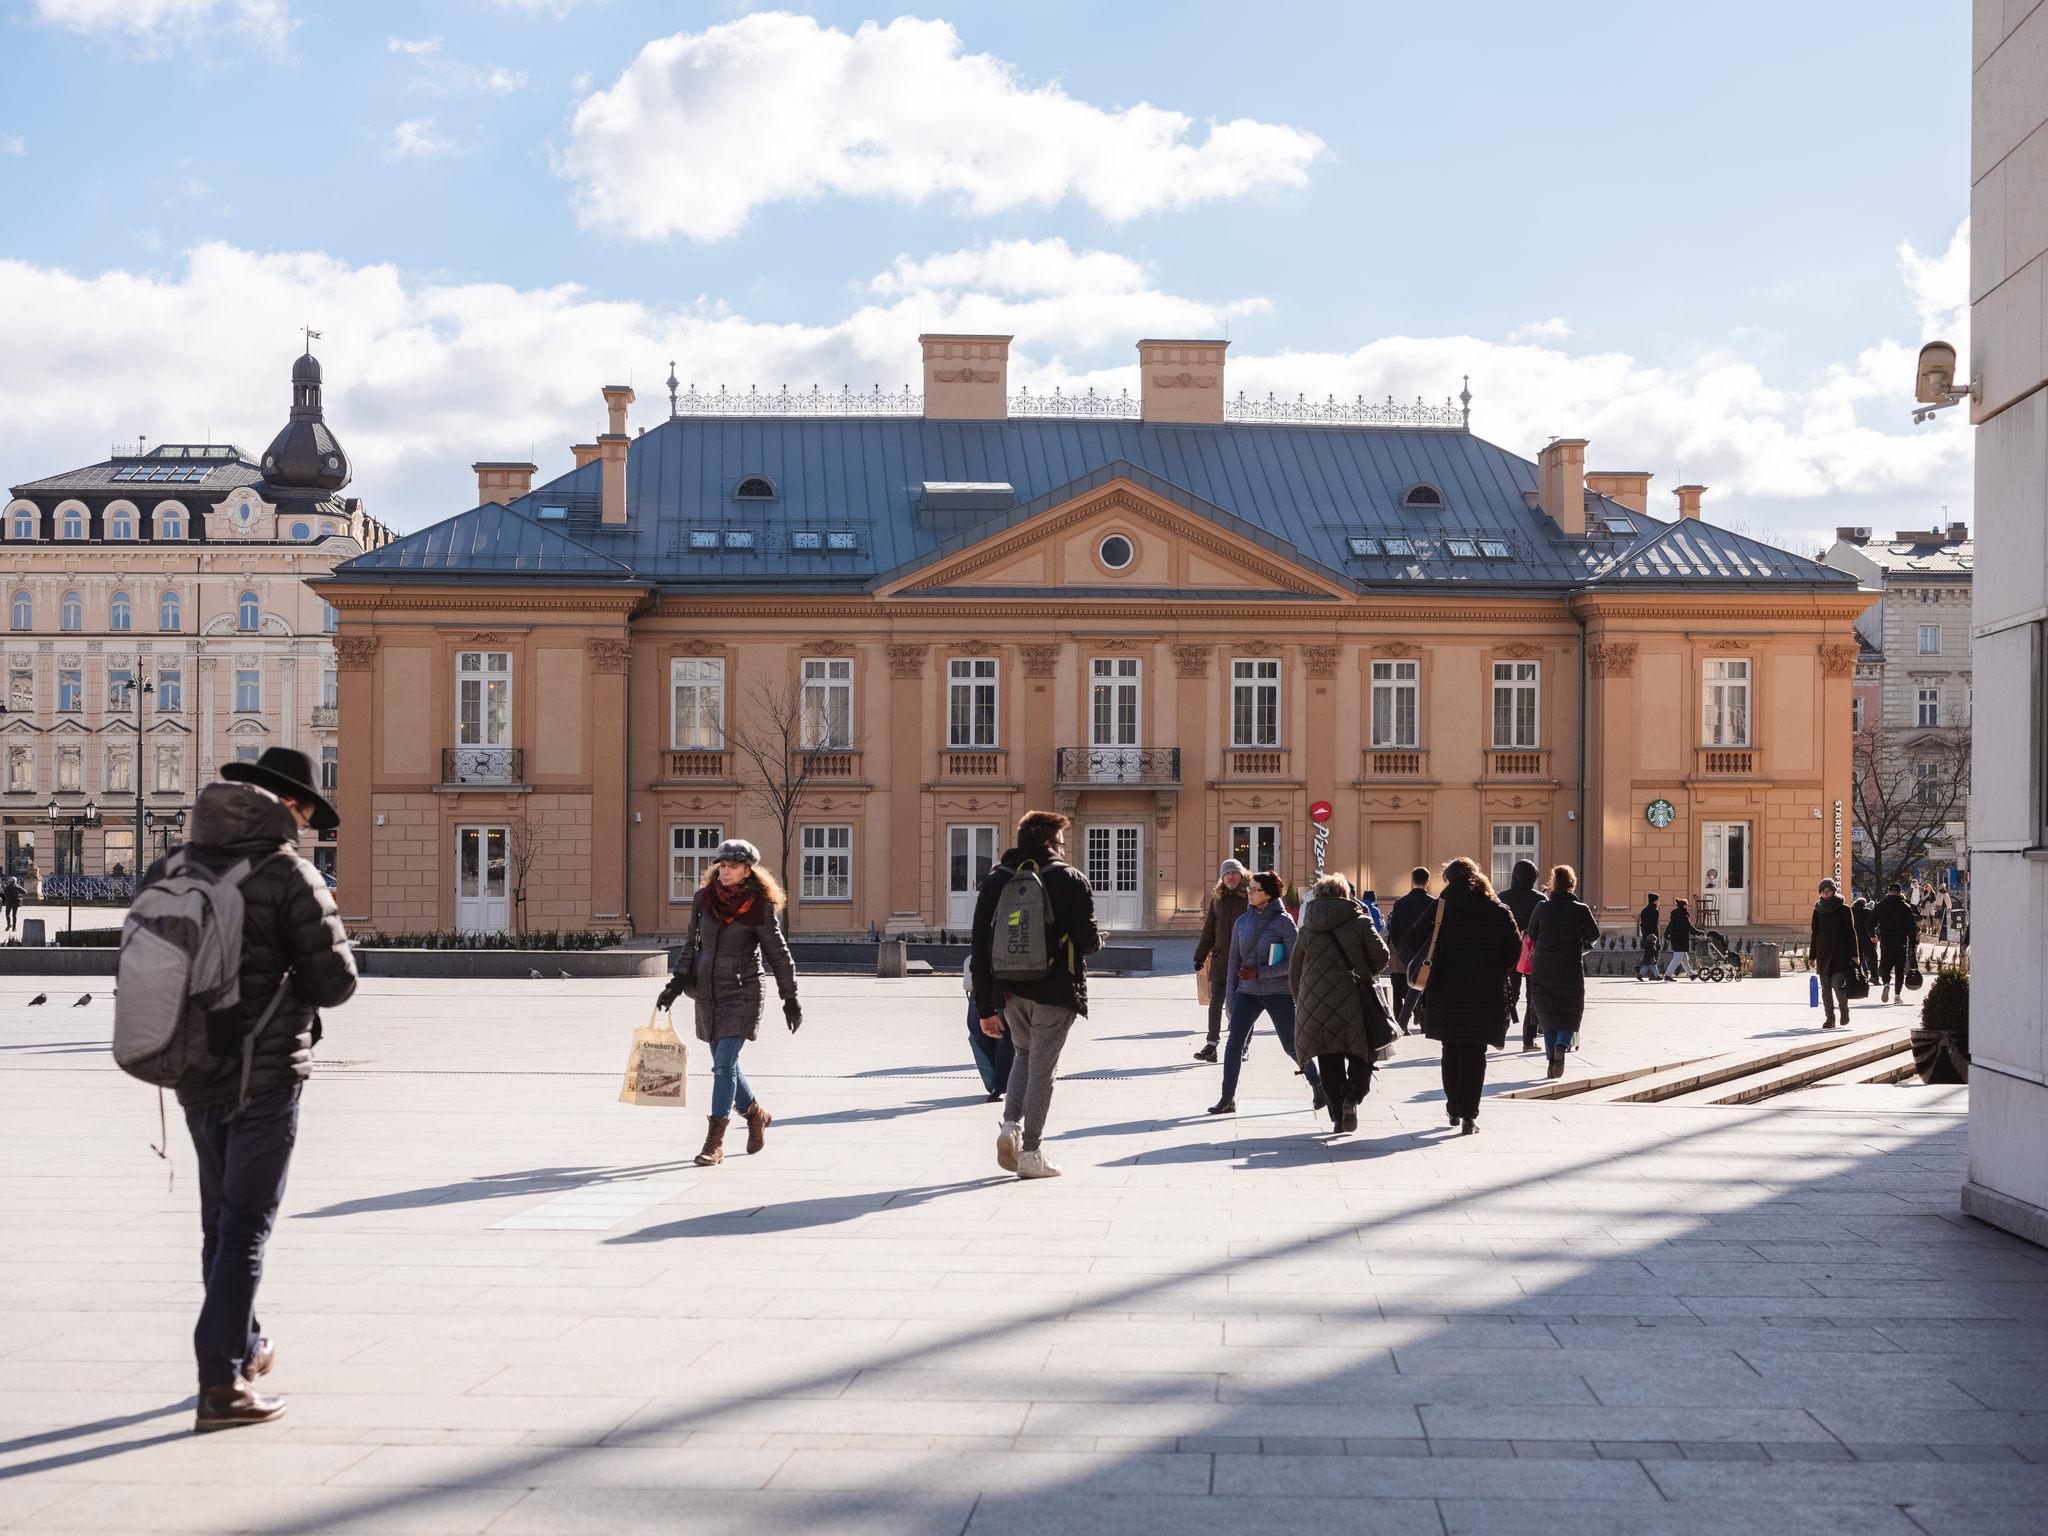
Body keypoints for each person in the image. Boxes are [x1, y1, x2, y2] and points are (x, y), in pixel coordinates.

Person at [138, 747, 356, 1433]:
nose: (305, 823)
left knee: (220, 1222)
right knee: (246, 1227)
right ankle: (220, 1380)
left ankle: (247, 1344)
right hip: (263, 1078)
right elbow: (337, 983)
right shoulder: (288, 873)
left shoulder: (170, 866)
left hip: (195, 1072)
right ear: (284, 803)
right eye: (304, 809)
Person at [970, 810, 1101, 1180]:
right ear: (1047, 841)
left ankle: (1009, 1126)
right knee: (1044, 1068)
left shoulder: (996, 880)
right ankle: (1031, 1152)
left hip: (1010, 991)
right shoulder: (1070, 878)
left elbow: (979, 945)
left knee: (1023, 1055)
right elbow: (1087, 941)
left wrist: (984, 1005)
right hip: (1056, 989)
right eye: (1061, 843)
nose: (1063, 849)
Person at [658, 838, 801, 1167]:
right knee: (728, 1066)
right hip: (708, 993)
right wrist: (675, 985)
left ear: (748, 870)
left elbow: (778, 954)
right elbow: (691, 947)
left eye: (732, 866)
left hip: (743, 991)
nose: (725, 871)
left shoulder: (758, 906)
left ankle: (715, 1142)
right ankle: (755, 1115)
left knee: (723, 1064)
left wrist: (790, 998)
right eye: (721, 866)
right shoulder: (703, 900)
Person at [1418, 857, 1521, 1136]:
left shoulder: (1439, 908)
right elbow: (1514, 952)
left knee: (1450, 1050)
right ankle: (1469, 1116)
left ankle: (1453, 1107)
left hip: (1446, 991)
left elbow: (1413, 939)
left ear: (1449, 880)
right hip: (1485, 993)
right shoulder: (1499, 910)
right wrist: (1493, 964)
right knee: (1475, 1053)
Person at [1210, 870, 1322, 1115]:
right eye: (1249, 888)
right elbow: (1233, 964)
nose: (1249, 892)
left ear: (1269, 894)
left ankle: (1318, 1085)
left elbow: (1293, 963)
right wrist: (1230, 998)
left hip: (1277, 993)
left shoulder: (1284, 922)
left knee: (1291, 1046)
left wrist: (1260, 972)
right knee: (1234, 1045)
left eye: (1254, 889)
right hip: (1246, 993)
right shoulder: (1242, 922)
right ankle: (1227, 1098)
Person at [1287, 873, 1390, 1134]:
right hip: (1355, 998)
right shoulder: (1360, 920)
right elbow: (1382, 956)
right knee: (1364, 1051)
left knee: (1328, 1057)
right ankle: (1353, 1096)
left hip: (1315, 1002)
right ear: (1345, 894)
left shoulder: (1308, 926)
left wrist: (1302, 1000)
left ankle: (1337, 1118)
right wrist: (1364, 971)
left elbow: (1294, 969)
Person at [1525, 865, 1602, 1080]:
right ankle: (1561, 1045)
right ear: (1572, 884)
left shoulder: (1542, 907)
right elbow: (1594, 934)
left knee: (1548, 1016)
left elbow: (1532, 933)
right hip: (1569, 967)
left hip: (1543, 967)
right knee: (1570, 1013)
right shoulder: (1581, 909)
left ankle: (1552, 1059)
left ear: (1553, 884)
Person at [1190, 860, 1249, 1063]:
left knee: (1242, 1007)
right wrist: (1200, 956)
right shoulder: (1218, 900)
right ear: (1222, 878)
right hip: (1221, 961)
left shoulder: (1251, 897)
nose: (1231, 876)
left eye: (1235, 873)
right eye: (1227, 873)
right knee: (1215, 1004)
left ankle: (1242, 1046)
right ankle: (1211, 1045)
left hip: (1244, 963)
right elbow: (1209, 930)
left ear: (1242, 876)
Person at [1386, 866, 1434, 1032]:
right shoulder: (1433, 903)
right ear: (1427, 882)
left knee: (1413, 986)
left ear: (1412, 882)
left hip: (1405, 951)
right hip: (1426, 950)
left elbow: (1394, 928)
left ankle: (1404, 1023)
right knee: (1423, 985)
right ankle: (1424, 1022)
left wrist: (1399, 947)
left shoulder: (1400, 903)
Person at [1500, 858, 1541, 1049]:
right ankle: (1528, 1040)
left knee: (1510, 995)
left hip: (1509, 953)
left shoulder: (1502, 897)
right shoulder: (1540, 899)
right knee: (1533, 997)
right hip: (1534, 954)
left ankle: (1500, 1034)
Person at [1809, 877, 1859, 1029]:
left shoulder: (1844, 909)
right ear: (1820, 893)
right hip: (1823, 954)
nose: (1826, 894)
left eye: (1829, 891)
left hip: (1840, 954)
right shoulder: (1817, 910)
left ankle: (1844, 1010)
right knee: (1825, 989)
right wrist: (1812, 956)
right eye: (1823, 892)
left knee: (1837, 984)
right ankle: (1830, 1018)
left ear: (1833, 891)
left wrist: (1854, 954)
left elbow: (1851, 933)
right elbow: (1814, 934)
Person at [962, 953, 1013, 1100]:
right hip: (984, 980)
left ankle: (999, 1084)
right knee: (981, 1034)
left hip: (1002, 981)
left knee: (1003, 1035)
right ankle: (997, 1083)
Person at [1874, 880, 1917, 1004]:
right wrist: (1913, 942)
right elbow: (1911, 927)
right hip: (1900, 941)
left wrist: (1872, 934)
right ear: (1900, 892)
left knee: (1886, 965)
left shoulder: (1881, 905)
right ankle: (1897, 996)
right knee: (1899, 969)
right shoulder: (1905, 907)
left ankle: (1886, 983)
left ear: (1888, 892)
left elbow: (1870, 921)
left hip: (1886, 940)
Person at [1662, 898, 1699, 980]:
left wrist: (1666, 934)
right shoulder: (1683, 915)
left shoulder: (1676, 914)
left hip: (1675, 939)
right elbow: (1688, 926)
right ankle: (1668, 975)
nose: (1688, 907)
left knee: (1684, 959)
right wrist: (1698, 932)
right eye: (1687, 905)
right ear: (1684, 905)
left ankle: (1691, 975)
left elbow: (1670, 925)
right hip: (1681, 939)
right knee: (1677, 958)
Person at [1852, 895, 1879, 985]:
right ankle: (1874, 976)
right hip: (1867, 939)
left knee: (1856, 958)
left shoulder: (1850, 911)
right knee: (1872, 957)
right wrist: (1873, 935)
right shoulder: (1868, 911)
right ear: (1864, 904)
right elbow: (1872, 925)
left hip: (1854, 940)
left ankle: (1857, 977)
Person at [1635, 893, 1661, 980]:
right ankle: (1652, 975)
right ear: (1654, 901)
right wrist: (1657, 939)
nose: (1659, 902)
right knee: (1654, 956)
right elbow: (1655, 926)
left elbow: (1642, 925)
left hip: (1646, 936)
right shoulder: (1655, 911)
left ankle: (1642, 968)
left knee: (1648, 955)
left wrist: (1644, 935)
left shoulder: (1644, 911)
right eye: (1658, 900)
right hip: (1653, 937)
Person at [1, 872, 21, 940]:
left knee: (7, 914)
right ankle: (14, 927)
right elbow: (25, 892)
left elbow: (3, 892)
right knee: (14, 915)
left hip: (9, 902)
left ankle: (9, 924)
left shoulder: (7, 887)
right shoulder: (17, 887)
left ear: (10, 881)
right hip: (16, 902)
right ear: (15, 881)